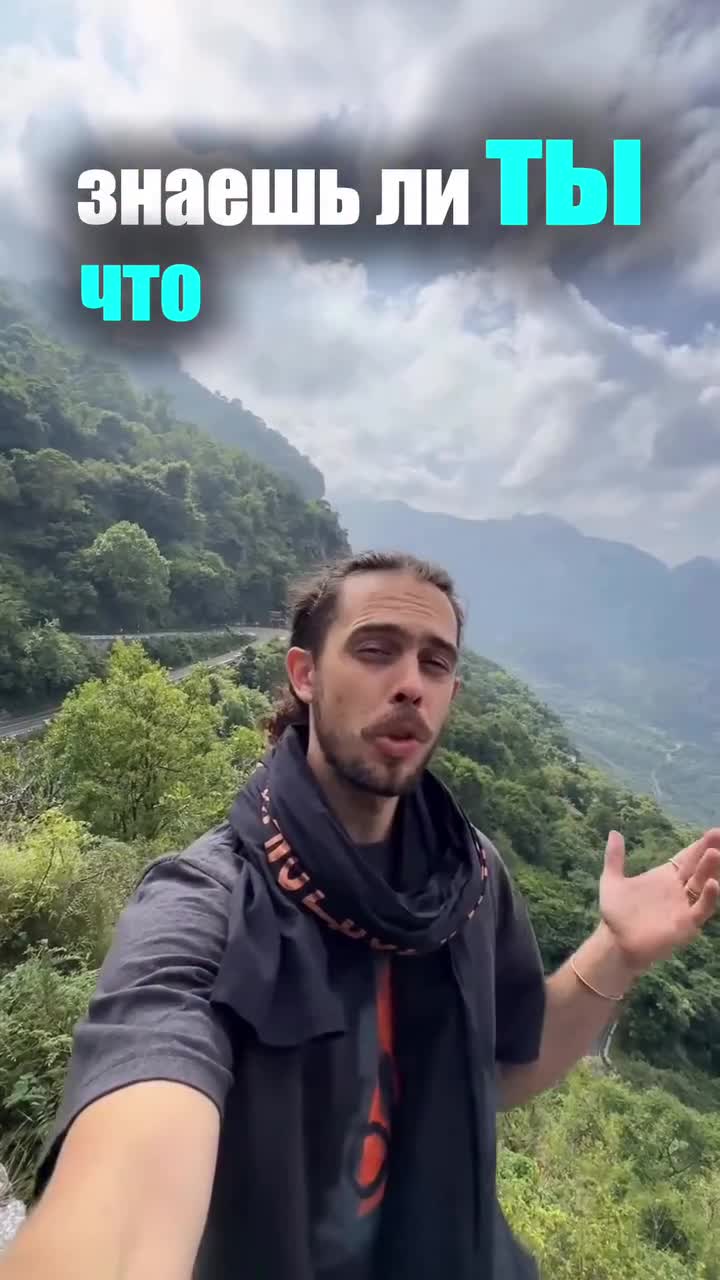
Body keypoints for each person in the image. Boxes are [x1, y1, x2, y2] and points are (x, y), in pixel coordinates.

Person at [2, 550, 718, 1280]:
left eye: (435, 664)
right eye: (375, 651)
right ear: (304, 674)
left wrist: (618, 952)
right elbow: (136, 1158)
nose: (410, 683)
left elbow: (504, 1070)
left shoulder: (469, 878)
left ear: (452, 692)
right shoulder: (210, 902)